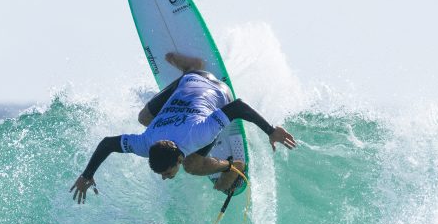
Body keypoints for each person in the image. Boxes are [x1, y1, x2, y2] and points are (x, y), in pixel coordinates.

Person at [70, 52, 297, 204]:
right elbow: (108, 143)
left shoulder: (197, 135)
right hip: (191, 80)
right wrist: (87, 175)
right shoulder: (145, 143)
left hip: (218, 90)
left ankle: (232, 166)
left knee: (193, 166)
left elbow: (238, 107)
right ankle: (191, 67)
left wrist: (271, 130)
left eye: (167, 173)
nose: (165, 178)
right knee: (144, 118)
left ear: (177, 157)